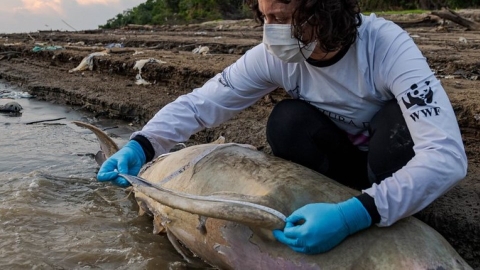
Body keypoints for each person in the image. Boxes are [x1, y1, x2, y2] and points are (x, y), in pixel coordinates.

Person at [97, 0, 467, 255]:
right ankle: (333, 206)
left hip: (389, 159)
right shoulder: (275, 56)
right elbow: (203, 103)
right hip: (342, 163)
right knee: (287, 121)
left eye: (284, 17)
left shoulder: (386, 46)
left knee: (397, 123)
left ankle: (379, 206)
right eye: (266, 18)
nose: (273, 30)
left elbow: (446, 157)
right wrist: (143, 145)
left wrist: (354, 215)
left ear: (325, 10)